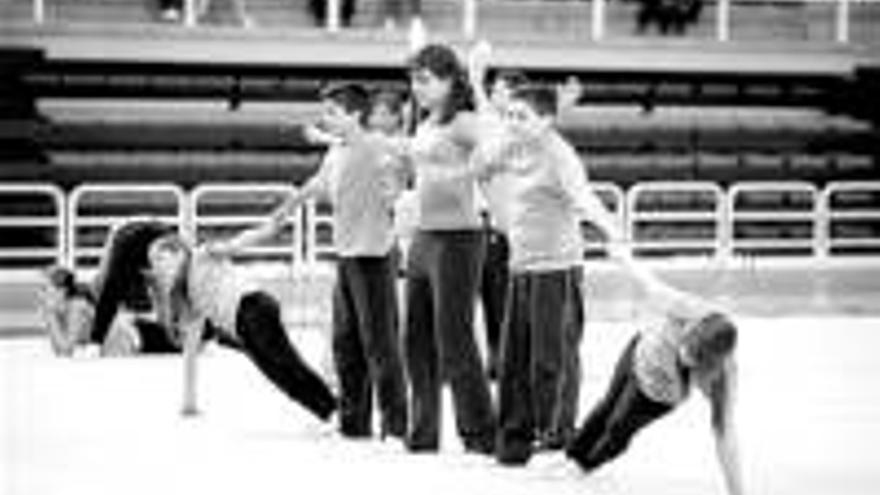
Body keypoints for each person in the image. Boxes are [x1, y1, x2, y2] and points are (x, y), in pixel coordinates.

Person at [273, 83, 408, 440]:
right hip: (346, 256)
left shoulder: (373, 145)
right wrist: (286, 209)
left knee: (381, 345)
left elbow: (397, 169)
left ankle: (396, 426)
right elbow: (319, 183)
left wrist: (393, 190)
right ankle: (354, 423)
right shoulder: (338, 151)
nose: (326, 118)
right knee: (346, 343)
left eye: (333, 112)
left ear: (354, 115)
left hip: (373, 255)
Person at [383, 43, 497, 454]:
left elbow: (497, 143)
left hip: (459, 239)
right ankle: (424, 431)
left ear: (451, 81)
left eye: (425, 79)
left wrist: (464, 171)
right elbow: (413, 159)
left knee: (455, 339)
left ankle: (482, 433)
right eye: (413, 80)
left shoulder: (464, 119)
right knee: (415, 339)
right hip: (424, 237)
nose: (417, 88)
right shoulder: (427, 121)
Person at [145, 223, 338, 422]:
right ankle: (327, 412)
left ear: (177, 251)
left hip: (252, 306)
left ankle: (335, 407)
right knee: (278, 376)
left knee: (288, 362)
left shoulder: (201, 255)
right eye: (154, 263)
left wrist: (266, 231)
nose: (159, 267)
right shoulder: (185, 296)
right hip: (239, 328)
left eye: (161, 258)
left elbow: (237, 244)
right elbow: (183, 332)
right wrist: (160, 297)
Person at [565, 286, 744, 495]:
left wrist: (737, 492)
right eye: (686, 346)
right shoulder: (690, 308)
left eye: (692, 358)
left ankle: (585, 466)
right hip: (638, 355)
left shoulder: (722, 377)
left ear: (708, 364)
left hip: (655, 396)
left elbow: (725, 432)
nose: (683, 354)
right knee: (606, 405)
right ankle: (572, 455)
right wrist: (620, 255)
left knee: (618, 428)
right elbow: (648, 283)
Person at [39, 265, 95, 357]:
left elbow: (65, 351)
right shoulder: (61, 307)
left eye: (45, 289)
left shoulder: (77, 305)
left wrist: (50, 317)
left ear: (62, 291)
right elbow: (58, 350)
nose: (40, 294)